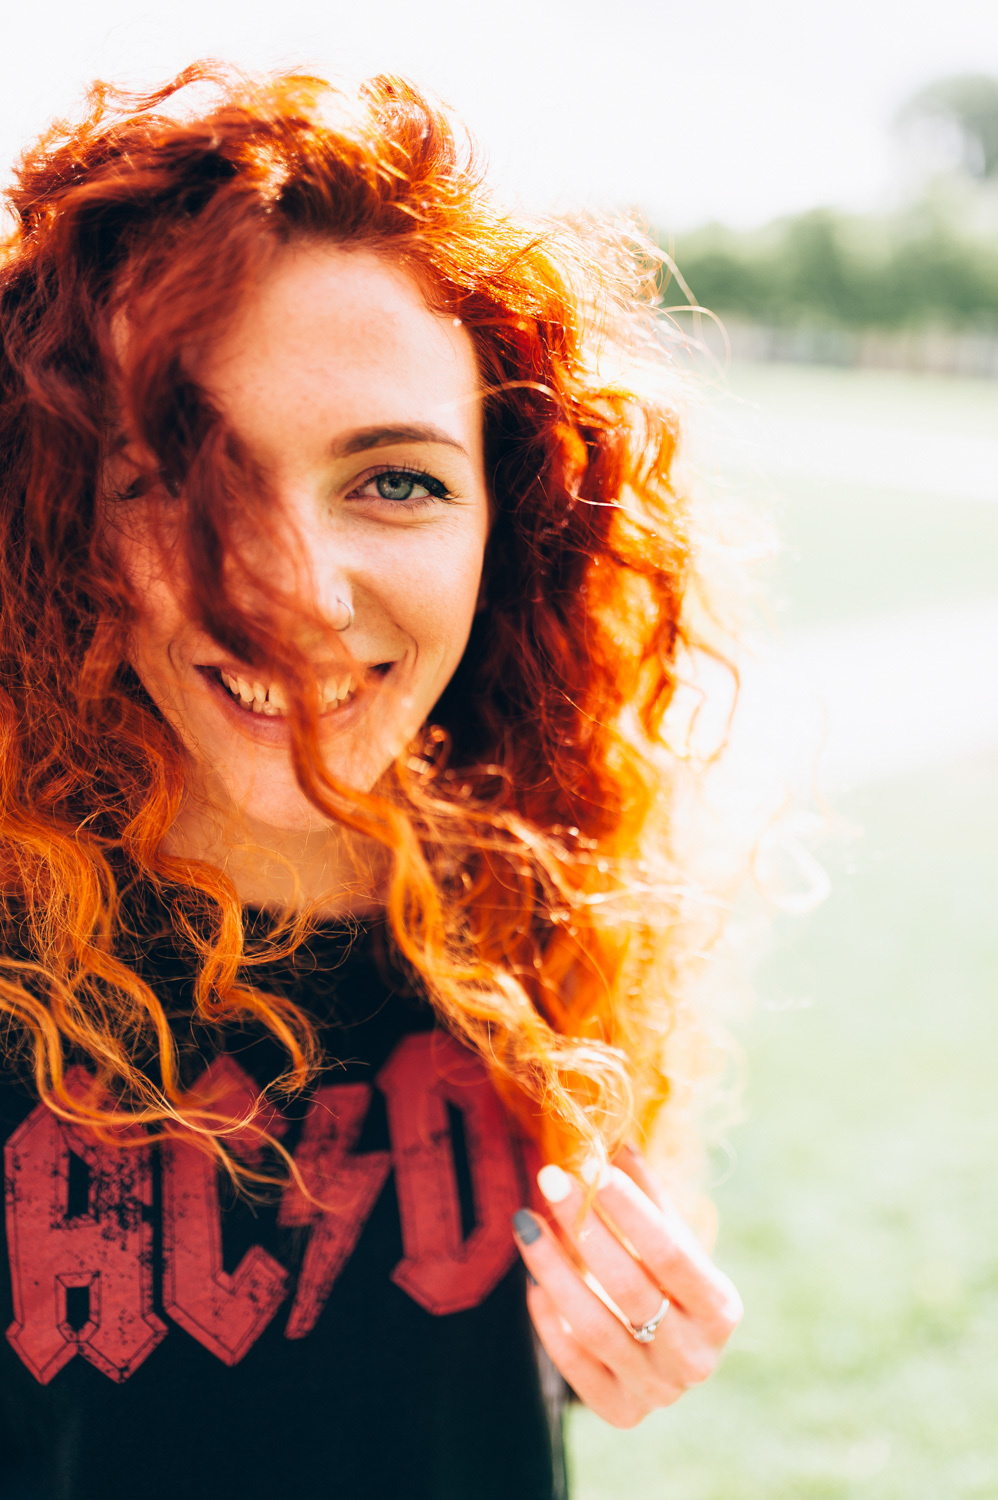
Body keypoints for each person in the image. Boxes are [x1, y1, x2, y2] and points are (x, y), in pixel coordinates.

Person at [0, 62, 741, 1500]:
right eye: (180, 474)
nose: (298, 598)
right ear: (56, 508)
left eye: (394, 481)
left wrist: (629, 1324)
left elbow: (579, 1267)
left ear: (509, 517)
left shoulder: (546, 876)